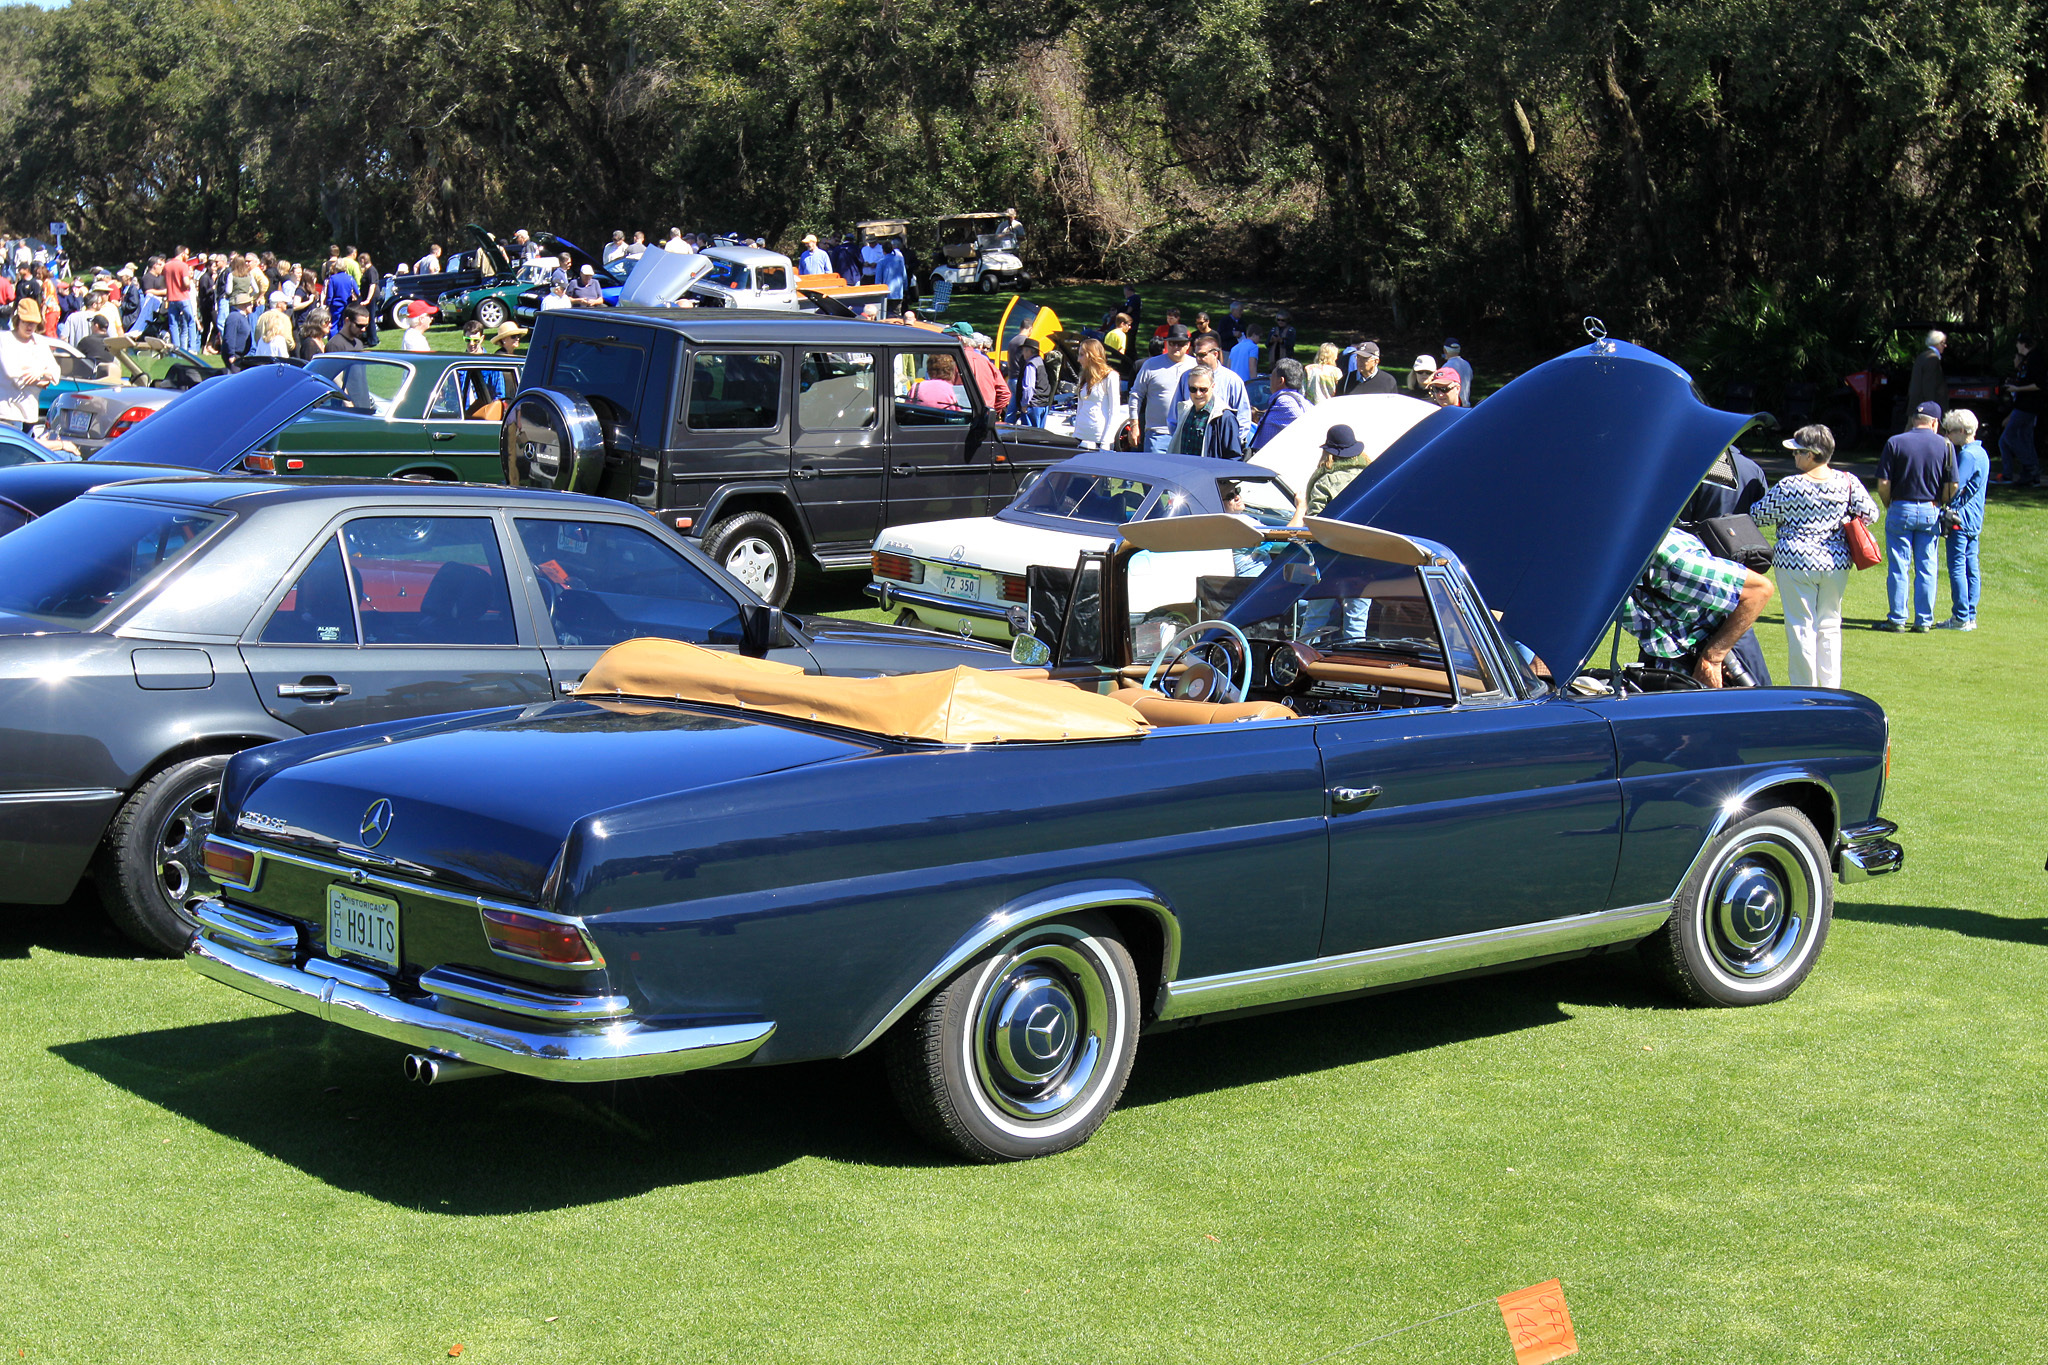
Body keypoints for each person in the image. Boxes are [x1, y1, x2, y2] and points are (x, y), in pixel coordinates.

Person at [1746, 425, 1880, 687]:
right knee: (1830, 625)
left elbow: (1757, 515)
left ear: (1810, 454)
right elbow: (1871, 515)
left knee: (1800, 625)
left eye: (1797, 452)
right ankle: (1830, 690)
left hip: (1795, 562)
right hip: (1835, 562)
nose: (1794, 456)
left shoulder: (1789, 486)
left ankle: (1804, 689)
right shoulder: (1848, 481)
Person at [1619, 527, 1776, 687]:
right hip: (1664, 654)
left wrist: (1713, 657)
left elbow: (1759, 591)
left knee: (1757, 709)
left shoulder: (1676, 563)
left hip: (1721, 650)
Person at [1875, 400, 1959, 631]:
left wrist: (1888, 503)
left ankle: (1897, 618)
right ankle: (1923, 620)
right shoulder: (1946, 445)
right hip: (1930, 509)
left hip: (1901, 506)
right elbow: (1952, 484)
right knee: (1927, 566)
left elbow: (1883, 483)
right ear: (1935, 422)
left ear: (1914, 420)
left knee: (1899, 566)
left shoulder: (1895, 442)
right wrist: (1940, 503)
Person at [1937, 408, 1988, 631]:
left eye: (1949, 431)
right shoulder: (1982, 453)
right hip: (1975, 518)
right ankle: (1970, 615)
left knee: (1958, 567)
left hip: (1960, 518)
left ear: (1961, 431)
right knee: (1970, 567)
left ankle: (1960, 616)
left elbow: (1956, 486)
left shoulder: (1967, 455)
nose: (1947, 436)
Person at [1175, 336, 1255, 447]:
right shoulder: (1186, 377)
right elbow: (1175, 413)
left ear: (1215, 354)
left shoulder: (1232, 380)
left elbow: (1243, 418)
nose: (1198, 359)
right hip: (1188, 445)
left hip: (1220, 448)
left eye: (1202, 355)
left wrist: (1232, 444)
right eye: (1196, 355)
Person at [1131, 325, 1194, 451]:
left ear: (1187, 345)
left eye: (1180, 343)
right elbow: (1136, 394)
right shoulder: (1151, 365)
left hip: (1187, 434)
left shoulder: (1195, 365)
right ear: (1166, 344)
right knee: (1154, 470)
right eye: (1172, 343)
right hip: (1157, 434)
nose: (1176, 347)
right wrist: (1134, 425)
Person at [0, 298, 57, 430]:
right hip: (7, 413)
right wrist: (41, 381)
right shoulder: (5, 340)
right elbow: (13, 374)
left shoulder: (40, 342)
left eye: (34, 323)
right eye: (26, 322)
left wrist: (40, 372)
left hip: (30, 413)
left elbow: (55, 372)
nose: (30, 327)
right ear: (17, 320)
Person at [1169, 370, 1245, 459]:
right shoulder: (1185, 411)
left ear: (1212, 387)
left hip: (1210, 472)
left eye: (1203, 389)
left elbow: (1234, 458)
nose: (1198, 394)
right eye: (1193, 389)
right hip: (1185, 470)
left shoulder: (1225, 418)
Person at [1998, 333, 2040, 486]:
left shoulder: (2035, 360)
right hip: (2024, 406)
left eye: (2018, 343)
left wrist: (2018, 388)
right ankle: (2031, 475)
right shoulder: (2028, 361)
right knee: (2025, 439)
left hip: (2027, 407)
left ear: (2023, 344)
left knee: (2008, 438)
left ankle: (2031, 466)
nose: (2017, 346)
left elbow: (2039, 384)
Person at [1071, 337, 1121, 449]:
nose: (1078, 359)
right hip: (1080, 435)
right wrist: (1076, 431)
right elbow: (1080, 407)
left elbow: (1114, 411)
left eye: (1082, 355)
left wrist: (1106, 440)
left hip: (1099, 436)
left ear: (1091, 355)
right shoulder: (1083, 377)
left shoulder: (1110, 376)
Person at [1251, 359, 1311, 452]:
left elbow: (1302, 423)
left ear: (1280, 381)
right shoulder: (1303, 401)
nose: (1270, 379)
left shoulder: (1285, 401)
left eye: (1272, 376)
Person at [162, 245, 198, 353]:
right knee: (190, 321)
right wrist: (189, 287)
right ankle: (192, 348)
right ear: (182, 254)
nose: (187, 257)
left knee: (173, 324)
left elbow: (165, 282)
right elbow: (186, 282)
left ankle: (175, 350)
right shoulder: (183, 265)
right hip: (183, 297)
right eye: (187, 254)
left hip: (171, 298)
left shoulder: (166, 266)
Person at [1905, 330, 1945, 424]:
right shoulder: (1932, 359)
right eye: (1943, 343)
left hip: (1915, 404)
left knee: (1911, 431)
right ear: (1937, 343)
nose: (1945, 346)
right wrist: (1931, 408)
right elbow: (1929, 386)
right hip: (1924, 409)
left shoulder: (1922, 356)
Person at [321, 262, 357, 337]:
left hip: (335, 305)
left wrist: (328, 303)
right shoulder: (350, 278)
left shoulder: (333, 278)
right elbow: (357, 291)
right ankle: (343, 340)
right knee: (344, 324)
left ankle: (333, 341)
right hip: (347, 304)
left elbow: (330, 294)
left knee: (334, 324)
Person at [220, 293, 257, 359]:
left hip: (240, 355)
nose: (252, 306)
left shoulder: (243, 317)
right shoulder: (234, 316)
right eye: (250, 304)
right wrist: (231, 354)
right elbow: (229, 336)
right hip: (234, 356)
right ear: (244, 305)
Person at [876, 240, 909, 314]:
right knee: (897, 313)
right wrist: (905, 288)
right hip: (898, 292)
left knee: (885, 314)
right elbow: (904, 276)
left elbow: (878, 280)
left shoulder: (881, 262)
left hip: (886, 293)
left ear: (883, 250)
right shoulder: (899, 261)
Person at [1439, 339, 1474, 406]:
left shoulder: (1446, 367)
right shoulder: (1466, 364)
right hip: (1466, 405)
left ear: (1445, 350)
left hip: (1454, 405)